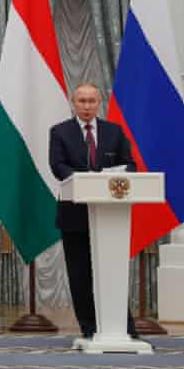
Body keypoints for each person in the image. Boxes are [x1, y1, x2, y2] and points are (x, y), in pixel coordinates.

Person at [49, 82, 137, 339]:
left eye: (92, 101)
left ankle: (124, 329)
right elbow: (58, 166)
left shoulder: (114, 132)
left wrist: (110, 177)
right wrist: (85, 180)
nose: (87, 106)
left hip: (110, 216)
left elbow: (129, 165)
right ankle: (89, 329)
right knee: (80, 274)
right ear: (74, 104)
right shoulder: (60, 132)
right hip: (74, 214)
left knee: (112, 273)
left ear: (99, 103)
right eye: (82, 101)